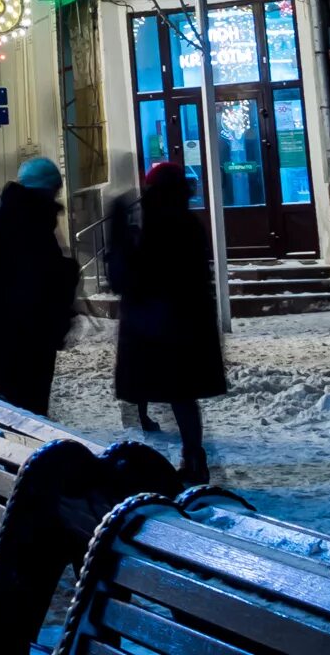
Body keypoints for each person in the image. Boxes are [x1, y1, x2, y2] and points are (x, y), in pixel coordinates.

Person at [106, 160, 226, 483]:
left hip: (157, 327)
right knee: (181, 395)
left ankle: (151, 466)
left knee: (153, 390)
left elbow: (132, 278)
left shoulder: (158, 229)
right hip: (184, 326)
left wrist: (119, 239)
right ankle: (193, 457)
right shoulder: (187, 224)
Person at [0, 157, 79, 414]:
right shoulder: (33, 219)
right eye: (55, 189)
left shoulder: (0, 212)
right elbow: (38, 280)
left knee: (1, 404)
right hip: (25, 339)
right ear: (47, 189)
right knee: (25, 410)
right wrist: (67, 274)